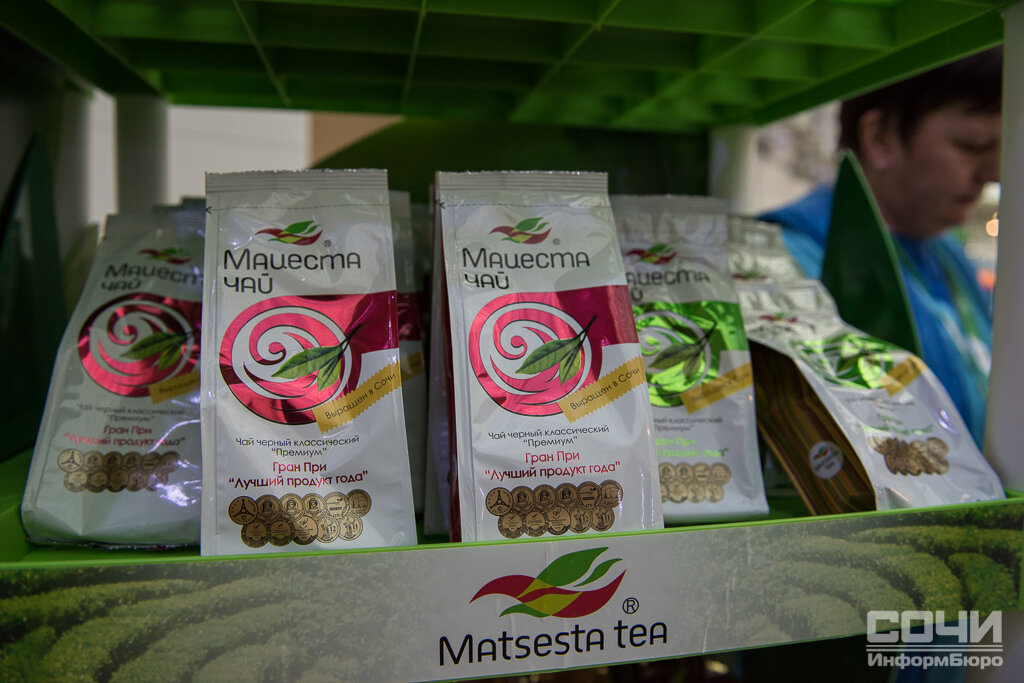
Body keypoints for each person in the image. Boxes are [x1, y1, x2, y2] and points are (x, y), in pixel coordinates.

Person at [759, 48, 1002, 447]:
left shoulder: (948, 258)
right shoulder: (790, 262)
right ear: (880, 138)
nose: (993, 173)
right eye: (972, 145)